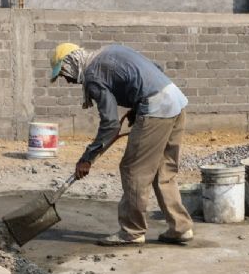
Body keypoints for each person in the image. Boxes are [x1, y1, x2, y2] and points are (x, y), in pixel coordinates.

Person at [49, 42, 194, 246]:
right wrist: (137, 106)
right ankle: (181, 227)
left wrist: (86, 159)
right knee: (164, 171)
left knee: (133, 169)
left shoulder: (93, 75)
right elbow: (155, 69)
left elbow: (110, 124)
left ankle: (132, 231)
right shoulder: (109, 50)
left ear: (70, 63)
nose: (67, 80)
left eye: (64, 73)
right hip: (176, 100)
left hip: (156, 110)